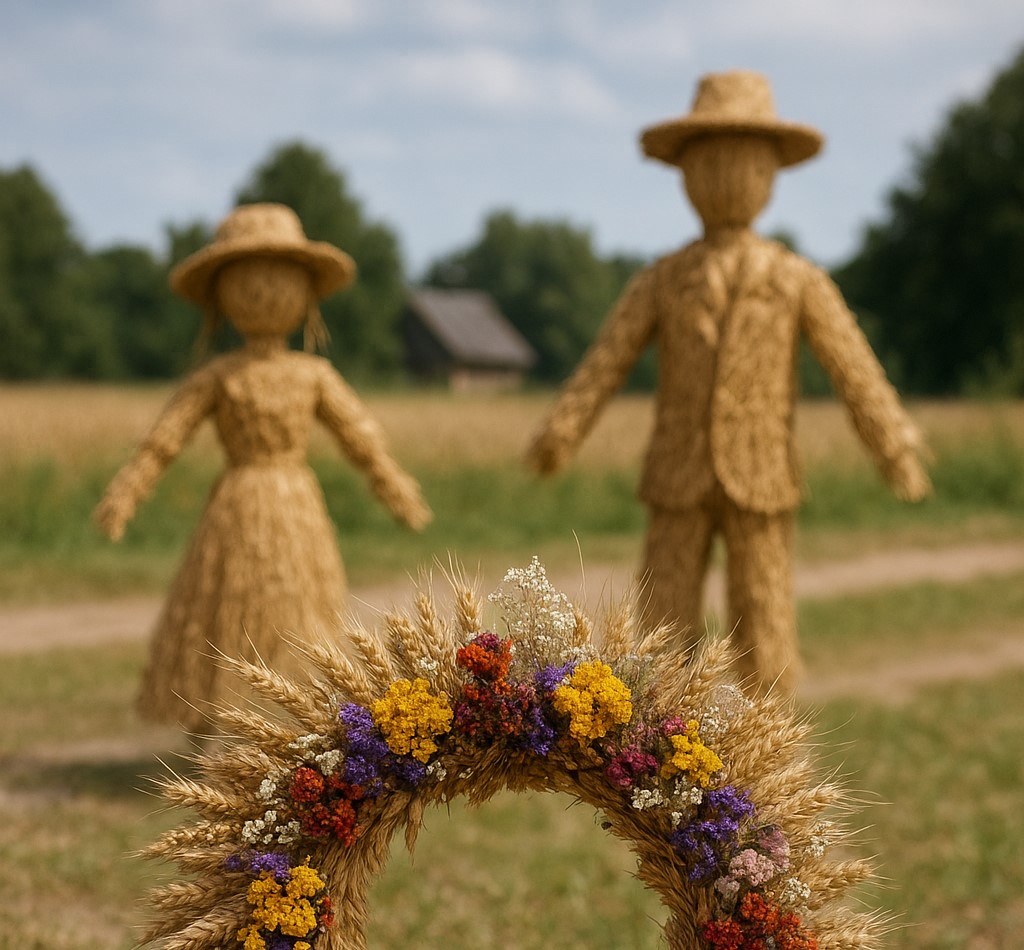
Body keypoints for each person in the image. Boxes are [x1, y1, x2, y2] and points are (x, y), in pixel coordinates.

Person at [526, 71, 930, 695]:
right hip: (677, 475)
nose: (725, 178)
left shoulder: (795, 279)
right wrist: (562, 429)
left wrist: (894, 445)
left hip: (763, 475)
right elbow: (605, 361)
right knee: (661, 620)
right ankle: (654, 752)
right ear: (685, 174)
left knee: (764, 616)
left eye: (743, 163)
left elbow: (854, 368)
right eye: (708, 164)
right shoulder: (664, 279)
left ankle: (767, 752)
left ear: (771, 174)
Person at [94, 203, 431, 732]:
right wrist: (125, 492)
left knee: (300, 612)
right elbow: (164, 441)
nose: (263, 290)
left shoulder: (310, 374)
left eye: (279, 278)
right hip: (241, 502)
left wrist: (393, 486)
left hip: (292, 505)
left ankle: (305, 721)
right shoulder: (221, 375)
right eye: (247, 279)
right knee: (226, 609)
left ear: (305, 290)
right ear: (223, 293)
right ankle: (223, 723)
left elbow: (361, 439)